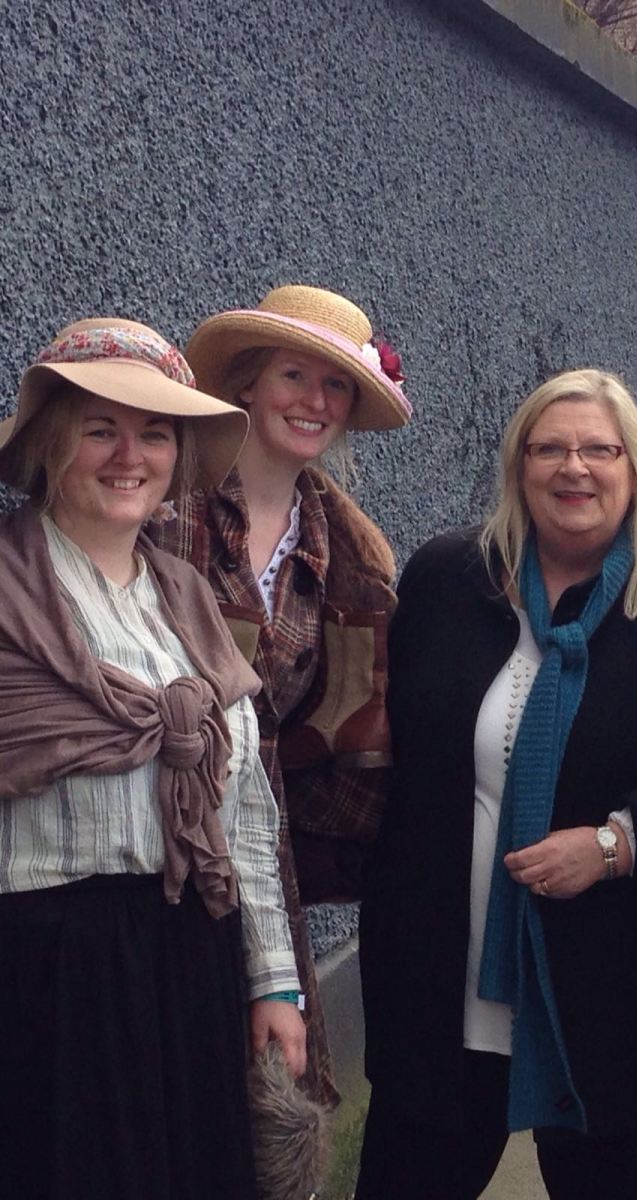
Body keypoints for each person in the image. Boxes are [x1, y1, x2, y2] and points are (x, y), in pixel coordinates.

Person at [357, 368, 637, 1200]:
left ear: (634, 468)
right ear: (519, 467)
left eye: (598, 450)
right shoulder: (449, 580)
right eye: (548, 449)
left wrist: (617, 843)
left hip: (601, 992)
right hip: (445, 985)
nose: (572, 467)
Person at [0, 318, 303, 1200]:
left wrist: (272, 982)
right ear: (53, 442)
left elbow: (244, 811)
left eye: (155, 434)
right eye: (101, 429)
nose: (129, 456)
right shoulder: (10, 592)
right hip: (44, 974)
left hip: (188, 956)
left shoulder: (186, 598)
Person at [151, 285, 411, 1105]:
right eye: (295, 376)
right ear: (248, 383)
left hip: (260, 858)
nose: (315, 402)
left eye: (336, 386)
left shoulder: (352, 558)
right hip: (145, 843)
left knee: (260, 1107)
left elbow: (345, 727)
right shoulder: (166, 506)